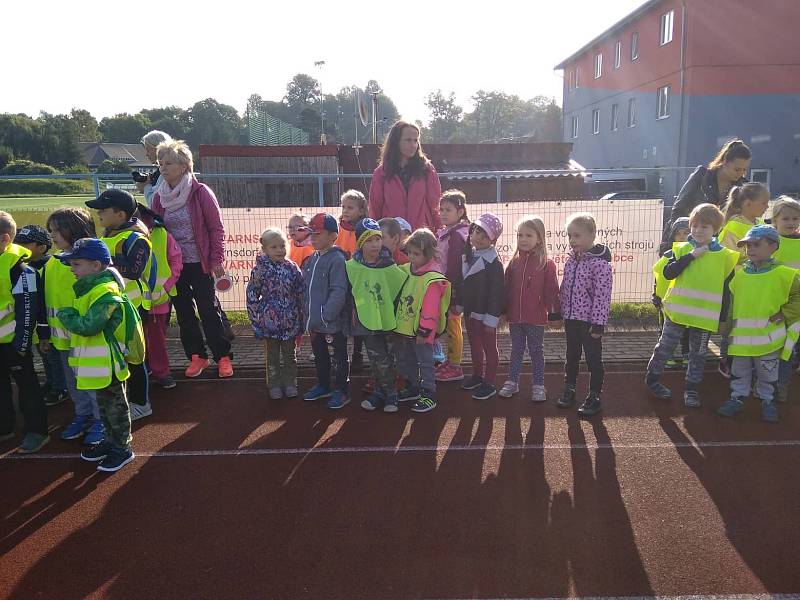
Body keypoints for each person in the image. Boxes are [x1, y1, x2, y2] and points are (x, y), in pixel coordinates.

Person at [152, 139, 233, 379]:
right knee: (184, 312)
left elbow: (216, 228)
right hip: (174, 267)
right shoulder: (159, 198)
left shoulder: (200, 193)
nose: (163, 168)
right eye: (160, 163)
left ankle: (223, 357)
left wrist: (216, 260)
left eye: (168, 163)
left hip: (201, 263)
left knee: (209, 310)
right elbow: (156, 231)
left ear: (183, 165)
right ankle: (197, 357)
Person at [645, 204, 738, 408]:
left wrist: (723, 318)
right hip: (676, 312)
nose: (697, 231)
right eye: (694, 226)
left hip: (704, 317)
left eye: (704, 227)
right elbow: (668, 273)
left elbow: (725, 289)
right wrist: (691, 256)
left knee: (698, 354)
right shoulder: (681, 249)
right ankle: (652, 380)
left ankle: (691, 390)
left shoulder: (725, 256)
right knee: (664, 348)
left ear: (716, 230)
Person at [56, 238, 136, 472]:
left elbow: (91, 325)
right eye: (71, 265)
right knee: (104, 407)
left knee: (115, 407)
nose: (72, 270)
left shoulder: (105, 292)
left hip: (109, 364)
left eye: (77, 264)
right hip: (97, 365)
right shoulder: (89, 289)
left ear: (97, 266)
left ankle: (123, 448)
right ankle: (111, 442)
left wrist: (66, 316)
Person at [717, 226, 800, 422]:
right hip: (741, 341)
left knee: (767, 372)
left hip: (768, 339)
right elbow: (732, 305)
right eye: (747, 246)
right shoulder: (740, 275)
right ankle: (736, 399)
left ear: (773, 246)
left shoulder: (785, 274)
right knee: (739, 372)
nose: (749, 249)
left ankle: (767, 401)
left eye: (756, 244)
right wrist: (726, 328)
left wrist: (784, 313)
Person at [86, 189, 153, 420]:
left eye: (102, 210)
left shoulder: (137, 238)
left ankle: (141, 403)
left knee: (135, 358)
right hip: (109, 307)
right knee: (117, 356)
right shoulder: (106, 237)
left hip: (132, 308)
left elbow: (134, 271)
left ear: (121, 214)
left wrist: (100, 260)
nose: (98, 214)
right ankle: (124, 400)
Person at [45, 208, 104, 444]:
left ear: (75, 228)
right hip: (62, 338)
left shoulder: (89, 264)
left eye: (57, 230)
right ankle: (83, 415)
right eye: (51, 231)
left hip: (85, 338)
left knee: (92, 380)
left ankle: (101, 419)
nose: (53, 236)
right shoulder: (52, 263)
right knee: (73, 381)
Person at [346, 218, 407, 412]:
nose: (375, 244)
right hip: (366, 320)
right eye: (369, 240)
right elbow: (350, 292)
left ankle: (390, 394)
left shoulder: (389, 265)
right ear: (360, 242)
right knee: (375, 357)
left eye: (378, 239)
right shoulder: (351, 266)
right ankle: (382, 392)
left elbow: (400, 289)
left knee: (389, 356)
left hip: (388, 319)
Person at [0, 211, 49, 454]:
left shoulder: (21, 271)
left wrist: (22, 343)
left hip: (13, 344)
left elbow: (27, 309)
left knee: (27, 386)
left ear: (5, 239)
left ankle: (37, 431)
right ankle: (4, 427)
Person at [557, 213, 612, 417]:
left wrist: (598, 323)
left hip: (589, 322)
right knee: (571, 355)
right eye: (570, 236)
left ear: (592, 235)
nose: (572, 240)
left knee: (593, 359)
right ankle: (569, 387)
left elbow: (602, 296)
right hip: (571, 318)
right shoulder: (571, 261)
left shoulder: (601, 265)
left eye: (577, 235)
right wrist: (559, 311)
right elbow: (565, 287)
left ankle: (594, 396)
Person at [501, 215, 561, 402]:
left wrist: (554, 315)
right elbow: (505, 289)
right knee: (516, 349)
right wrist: (503, 311)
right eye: (520, 235)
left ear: (539, 238)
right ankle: (512, 381)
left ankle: (538, 385)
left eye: (528, 235)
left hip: (535, 318)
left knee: (536, 350)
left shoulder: (546, 264)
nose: (523, 239)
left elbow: (552, 292)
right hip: (515, 318)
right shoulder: (513, 263)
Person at [394, 229, 450, 413]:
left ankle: (429, 393)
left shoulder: (432, 279)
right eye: (409, 252)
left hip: (421, 332)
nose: (411, 257)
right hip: (407, 328)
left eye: (416, 254)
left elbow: (431, 310)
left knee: (426, 362)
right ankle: (413, 388)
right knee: (408, 359)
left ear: (428, 254)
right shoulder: (406, 270)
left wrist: (424, 332)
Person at [13, 225, 69, 407]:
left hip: (50, 323)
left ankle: (60, 388)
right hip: (36, 325)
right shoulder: (23, 268)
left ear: (42, 247)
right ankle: (51, 382)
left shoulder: (50, 266)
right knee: (44, 355)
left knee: (54, 356)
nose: (20, 247)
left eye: (26, 244)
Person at [247, 227, 304, 400]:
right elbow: (252, 295)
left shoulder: (292, 268)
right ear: (264, 249)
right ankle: (274, 384)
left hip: (290, 321)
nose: (280, 250)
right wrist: (256, 320)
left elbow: (301, 291)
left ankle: (290, 383)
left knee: (290, 356)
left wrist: (301, 316)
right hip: (269, 323)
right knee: (272, 357)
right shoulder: (260, 270)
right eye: (274, 247)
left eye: (282, 246)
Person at [664, 139, 751, 251]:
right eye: (737, 169)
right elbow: (678, 207)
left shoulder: (743, 186)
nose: (741, 174)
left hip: (720, 247)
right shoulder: (702, 175)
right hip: (687, 241)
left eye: (744, 170)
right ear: (724, 162)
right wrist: (683, 236)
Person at [301, 213, 350, 409]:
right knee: (320, 356)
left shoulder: (337, 259)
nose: (313, 237)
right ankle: (323, 385)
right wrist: (308, 315)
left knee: (338, 358)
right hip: (315, 324)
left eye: (318, 234)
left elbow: (339, 291)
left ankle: (341, 390)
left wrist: (325, 315)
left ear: (333, 236)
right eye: (311, 233)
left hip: (331, 324)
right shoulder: (313, 258)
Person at [135, 203, 183, 390]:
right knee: (136, 339)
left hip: (158, 299)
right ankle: (142, 368)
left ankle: (161, 372)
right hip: (132, 300)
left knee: (156, 339)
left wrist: (167, 285)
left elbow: (176, 260)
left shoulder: (162, 234)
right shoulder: (115, 236)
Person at [458, 213, 505, 401]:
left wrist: (491, 318)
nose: (477, 236)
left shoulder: (494, 263)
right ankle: (478, 375)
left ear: (492, 239)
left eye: (483, 234)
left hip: (485, 314)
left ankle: (490, 382)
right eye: (476, 230)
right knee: (474, 345)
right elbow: (464, 284)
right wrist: (460, 304)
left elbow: (497, 294)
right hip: (470, 312)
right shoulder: (468, 255)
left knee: (489, 347)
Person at [368, 120, 443, 232]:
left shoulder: (426, 169)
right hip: (391, 238)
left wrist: (440, 233)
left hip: (420, 238)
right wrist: (376, 235)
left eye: (415, 140)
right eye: (408, 140)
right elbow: (375, 208)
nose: (413, 145)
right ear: (396, 142)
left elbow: (436, 206)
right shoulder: (381, 173)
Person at [434, 190, 470, 383]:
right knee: (448, 326)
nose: (443, 213)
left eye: (448, 209)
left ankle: (455, 366)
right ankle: (450, 360)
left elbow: (455, 266)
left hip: (451, 289)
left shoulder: (457, 236)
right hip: (444, 287)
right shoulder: (447, 233)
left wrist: (452, 292)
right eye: (441, 209)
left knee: (453, 326)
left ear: (461, 211)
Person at [336, 190, 369, 371]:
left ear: (362, 210)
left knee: (358, 318)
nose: (346, 210)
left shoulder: (364, 228)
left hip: (358, 284)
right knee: (341, 317)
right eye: (343, 206)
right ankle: (339, 355)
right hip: (340, 282)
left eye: (350, 207)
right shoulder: (337, 228)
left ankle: (357, 354)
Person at [652, 218, 691, 369]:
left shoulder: (696, 256)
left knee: (687, 328)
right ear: (673, 236)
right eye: (678, 234)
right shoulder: (668, 255)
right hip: (667, 300)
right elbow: (659, 275)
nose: (682, 237)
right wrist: (656, 294)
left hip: (687, 300)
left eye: (686, 233)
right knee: (666, 329)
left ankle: (687, 353)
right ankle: (667, 354)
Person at [772, 196, 800, 402]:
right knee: (770, 348)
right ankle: (764, 382)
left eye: (796, 218)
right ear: (774, 221)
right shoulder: (771, 244)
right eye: (786, 219)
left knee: (788, 351)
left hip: (795, 309)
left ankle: (781, 385)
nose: (791, 223)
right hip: (773, 306)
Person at [719, 182, 770, 257]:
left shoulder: (763, 225)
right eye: (764, 203)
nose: (767, 207)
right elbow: (727, 258)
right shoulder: (732, 228)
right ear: (748, 203)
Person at [136, 130, 172, 206]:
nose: (146, 154)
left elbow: (155, 205)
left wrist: (146, 187)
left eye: (148, 149)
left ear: (159, 147)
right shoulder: (173, 168)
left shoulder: (166, 172)